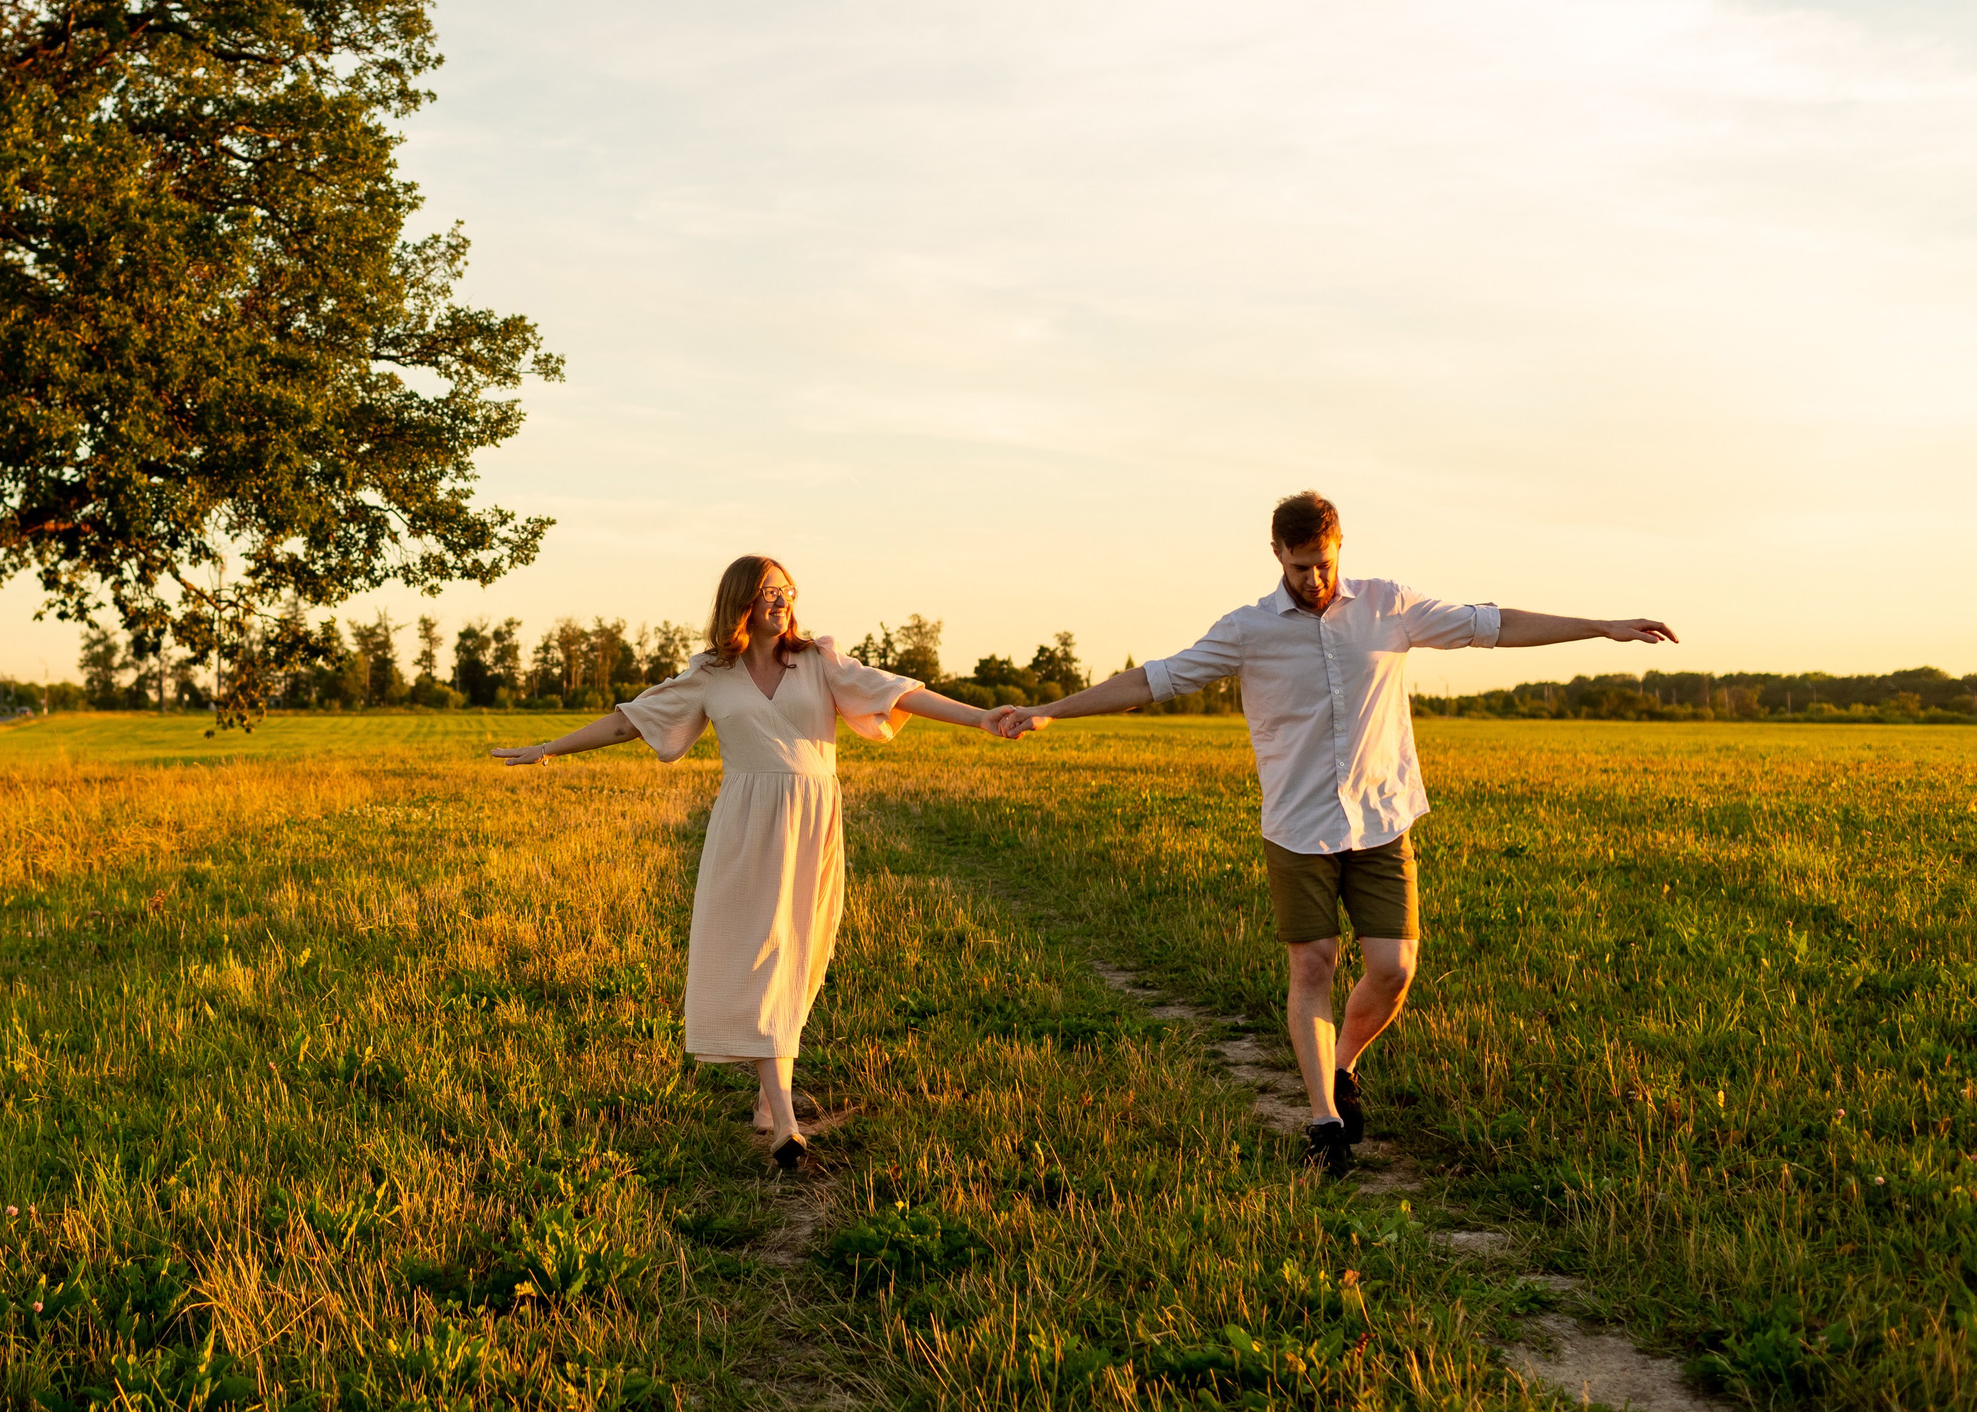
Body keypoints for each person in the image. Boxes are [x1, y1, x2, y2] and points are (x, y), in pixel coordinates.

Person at [989, 491, 1675, 1176]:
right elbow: (1153, 679)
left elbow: (1492, 623)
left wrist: (1602, 626)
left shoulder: (1389, 606)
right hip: (1297, 825)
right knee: (1312, 965)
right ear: (1277, 556)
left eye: (1321, 563)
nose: (1312, 579)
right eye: (1298, 567)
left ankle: (1341, 1065)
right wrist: (1053, 710)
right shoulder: (1247, 628)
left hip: (1381, 819)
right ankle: (1324, 1124)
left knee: (1394, 968)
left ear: (1339, 545)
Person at [492, 554, 1012, 1168]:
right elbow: (628, 724)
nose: (780, 601)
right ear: (740, 600)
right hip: (746, 826)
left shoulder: (819, 663)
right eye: (768, 591)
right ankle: (785, 1124)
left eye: (787, 591)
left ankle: (769, 1102)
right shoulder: (712, 675)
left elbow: (900, 693)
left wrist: (983, 717)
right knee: (763, 953)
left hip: (814, 821)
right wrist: (549, 748)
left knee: (800, 953)